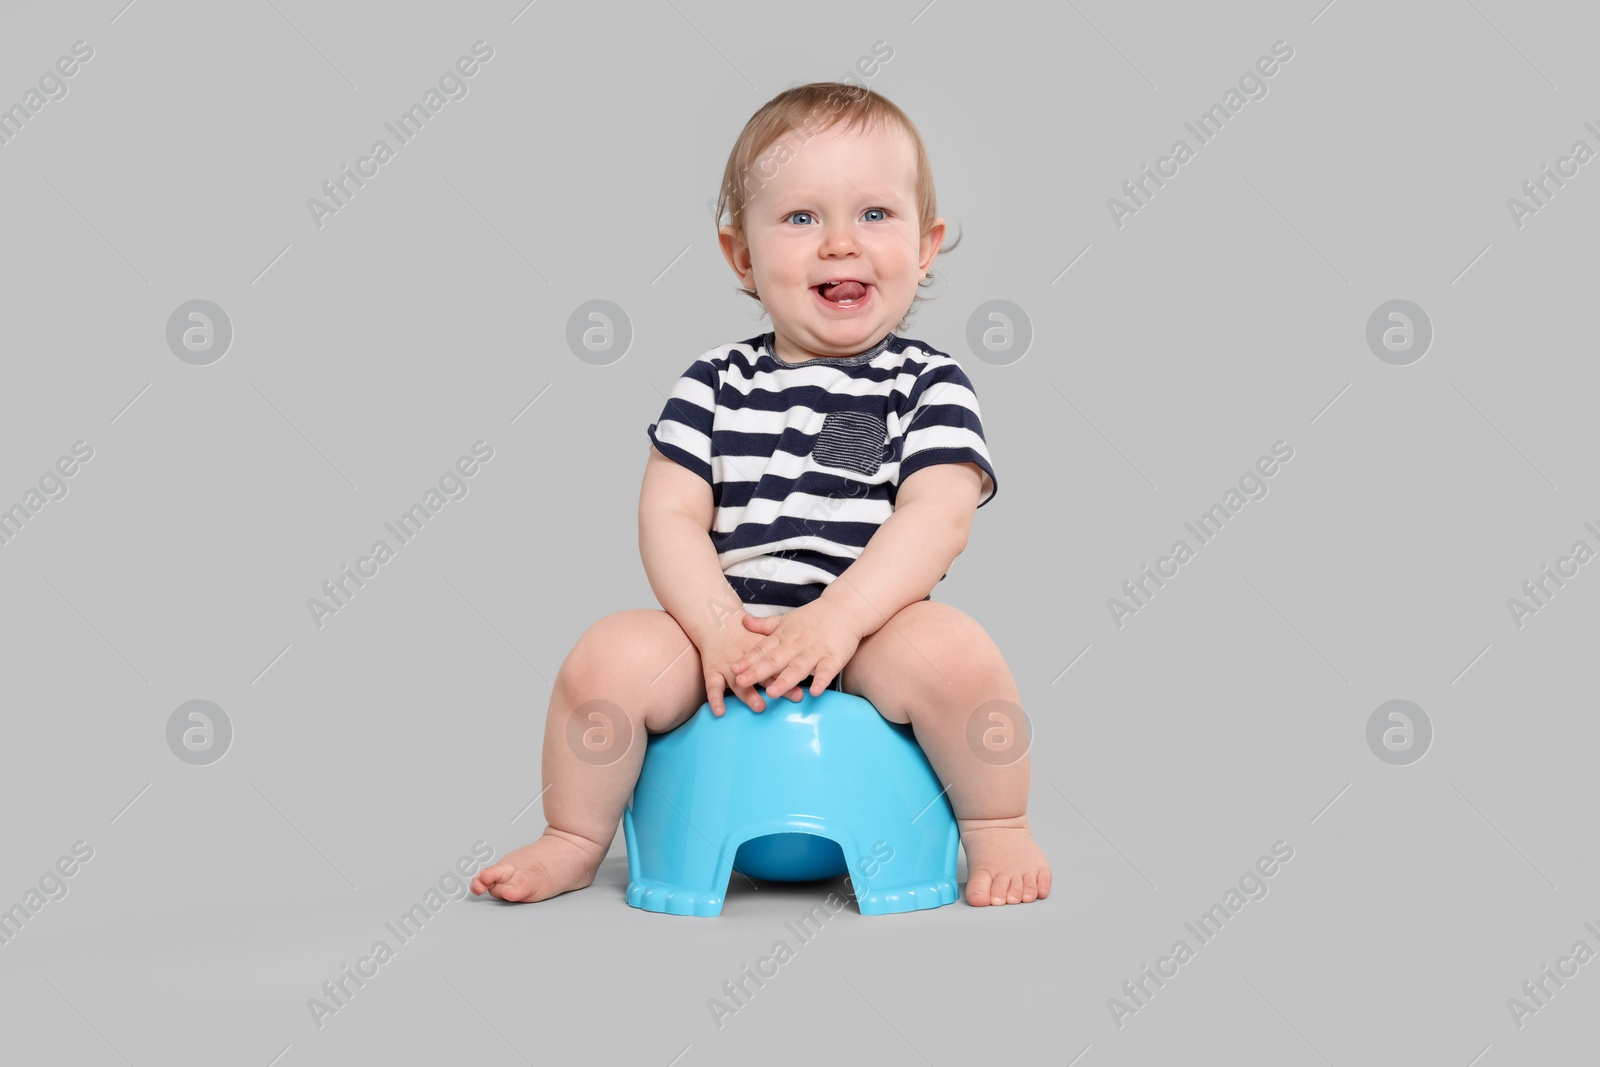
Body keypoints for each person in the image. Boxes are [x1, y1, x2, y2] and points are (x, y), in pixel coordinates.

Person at [472, 82, 1050, 908]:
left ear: (927, 246)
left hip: (867, 637)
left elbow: (937, 514)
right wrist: (711, 625)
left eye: (876, 216)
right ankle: (572, 836)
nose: (841, 244)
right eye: (802, 217)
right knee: (605, 659)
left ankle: (998, 826)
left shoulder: (926, 384)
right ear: (741, 254)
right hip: (729, 627)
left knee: (955, 654)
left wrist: (840, 618)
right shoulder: (711, 383)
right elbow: (669, 513)